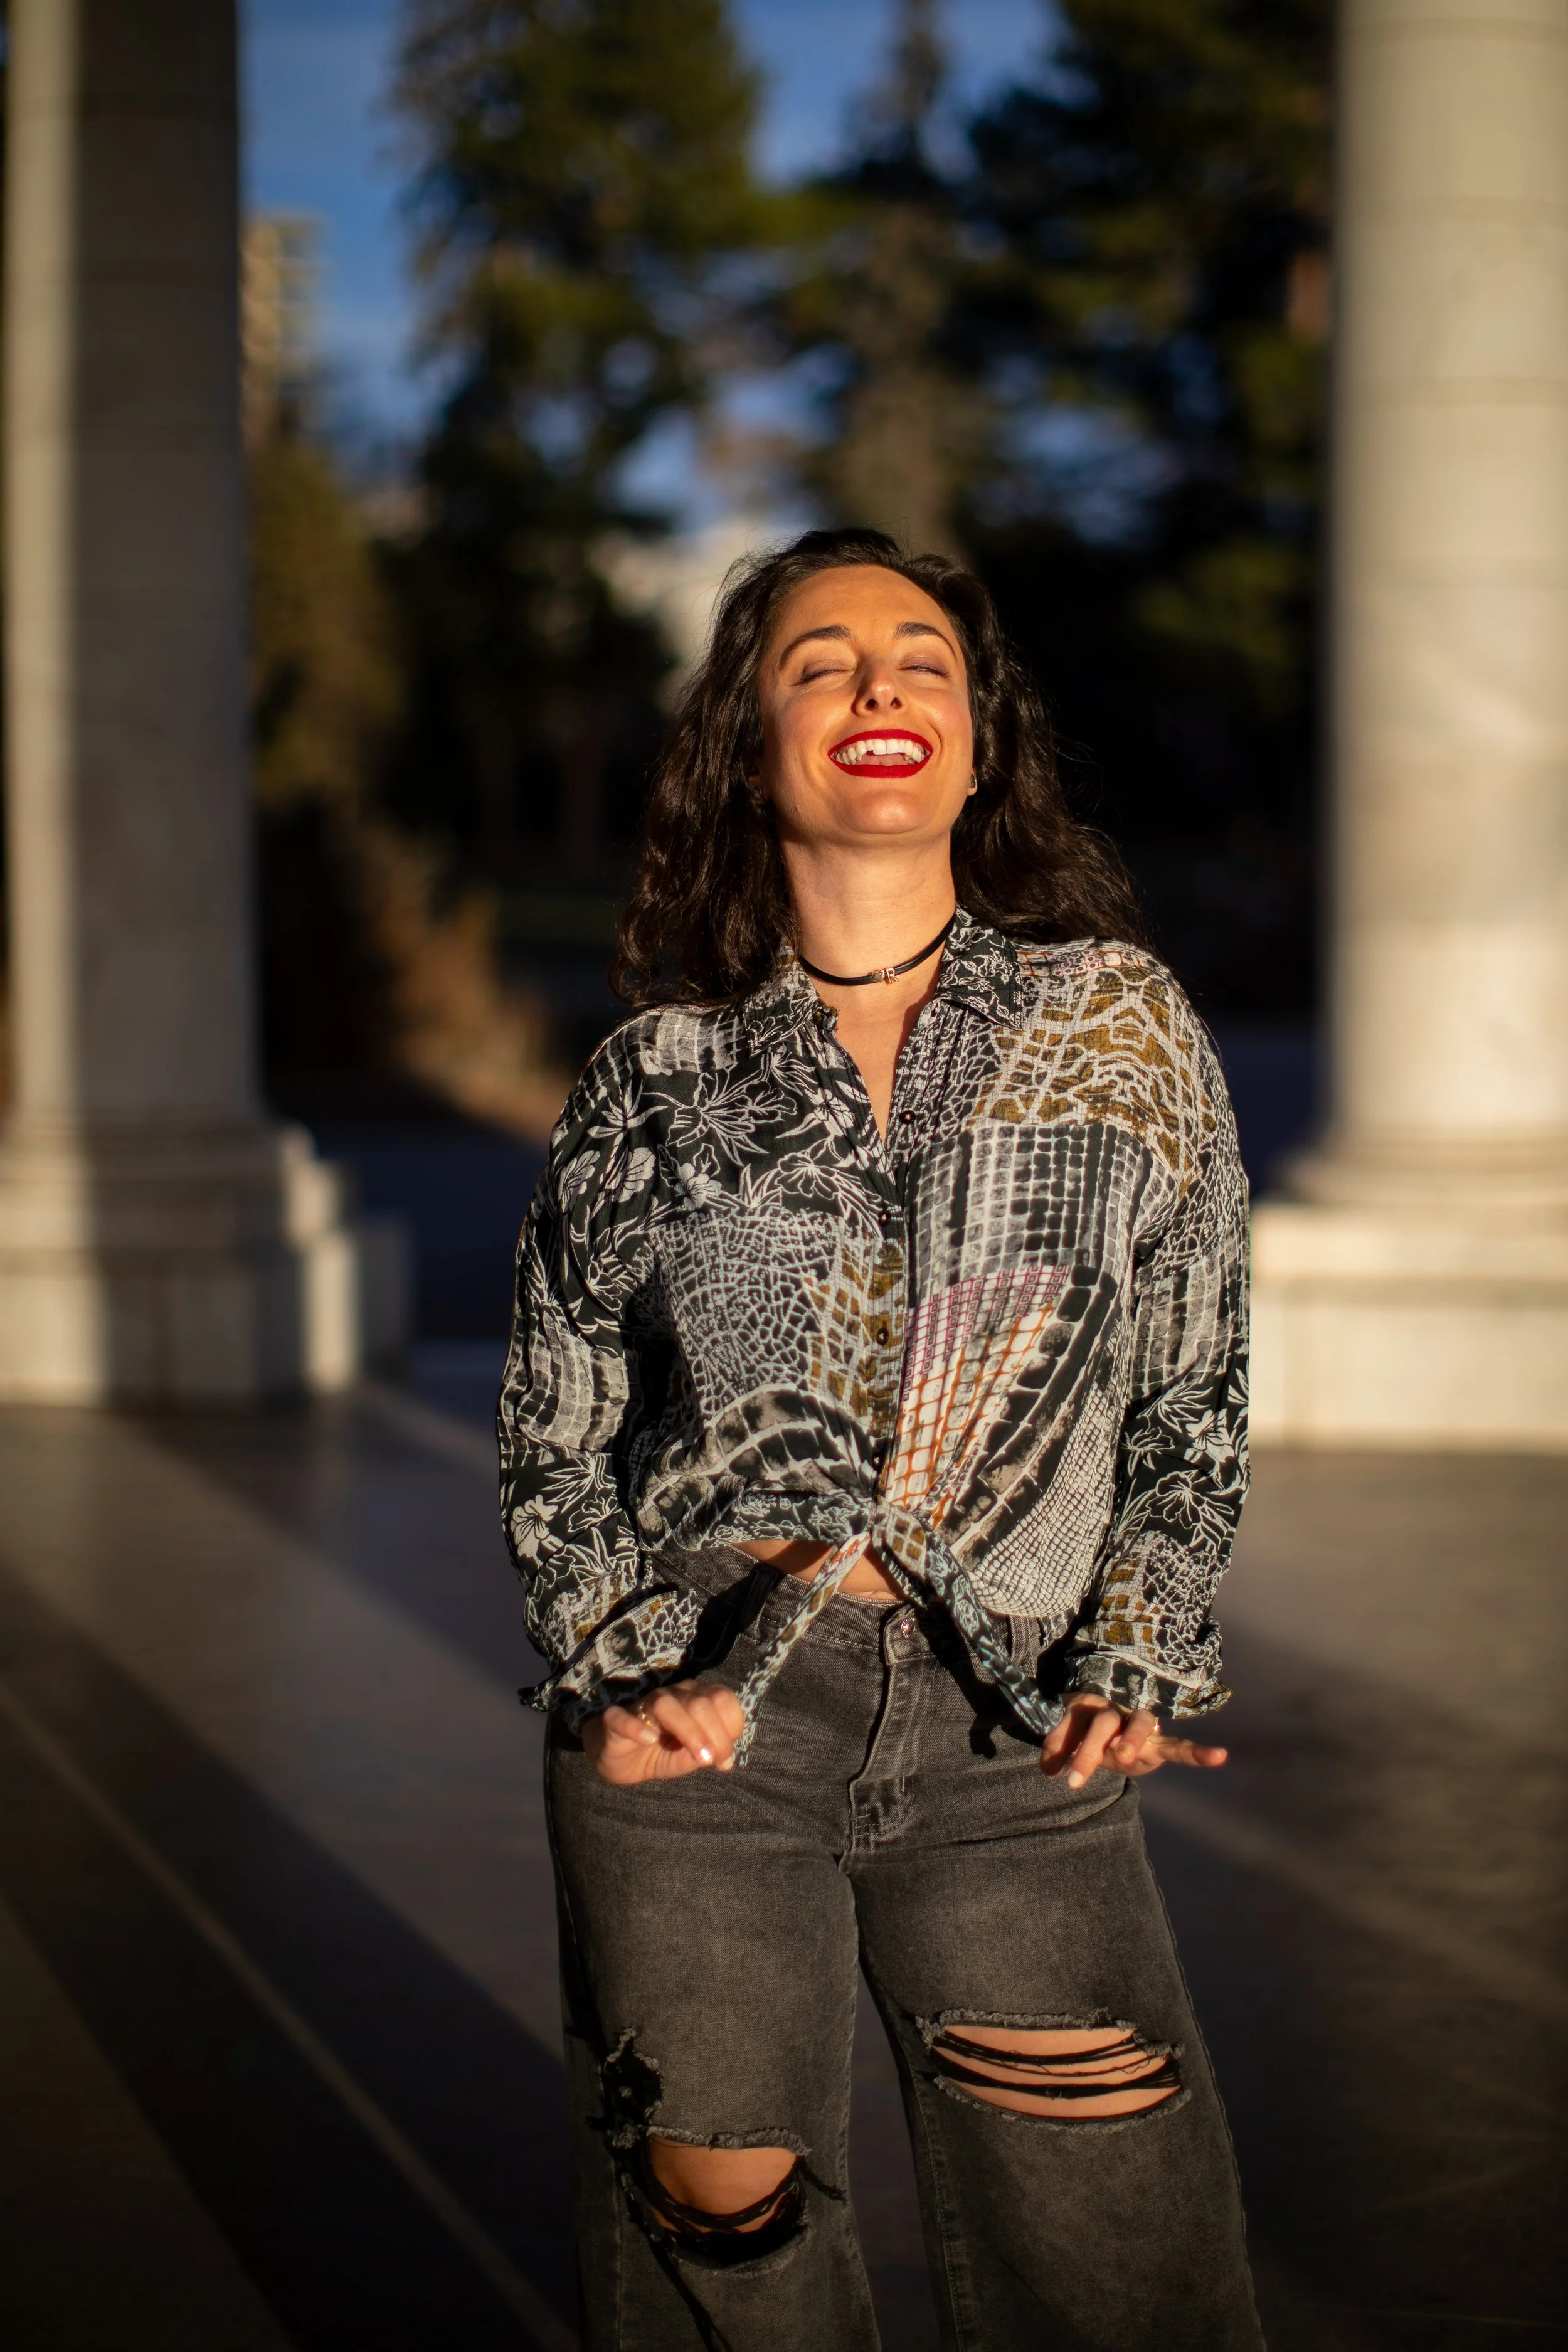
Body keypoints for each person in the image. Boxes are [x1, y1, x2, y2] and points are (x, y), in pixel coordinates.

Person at [499, 527, 1264, 2351]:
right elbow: (559, 1414)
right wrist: (617, 1658)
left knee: (1108, 2233)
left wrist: (1143, 1637)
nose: (877, 688)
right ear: (747, 740)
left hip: (1007, 1727)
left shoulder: (1115, 1021)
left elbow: (1193, 1381)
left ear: (977, 742)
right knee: (720, 2219)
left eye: (920, 659)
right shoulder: (659, 1074)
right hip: (705, 1719)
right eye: (817, 661)